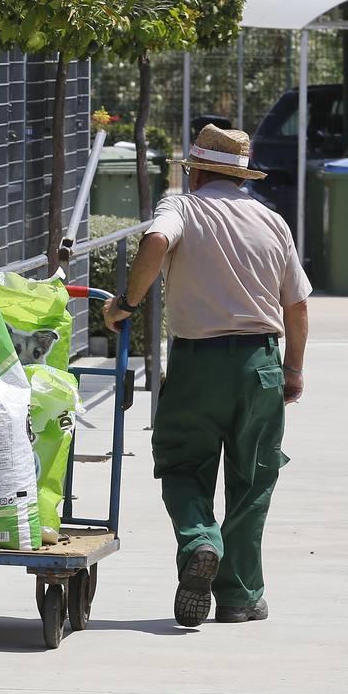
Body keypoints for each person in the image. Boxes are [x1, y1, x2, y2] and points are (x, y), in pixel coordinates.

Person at [104, 124, 310, 627]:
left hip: (197, 362)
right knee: (253, 479)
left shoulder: (182, 208)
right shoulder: (271, 220)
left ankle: (200, 541)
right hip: (259, 363)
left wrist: (127, 303)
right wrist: (293, 371)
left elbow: (156, 242)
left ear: (194, 171)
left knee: (182, 467)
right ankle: (239, 597)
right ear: (241, 176)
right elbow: (298, 307)